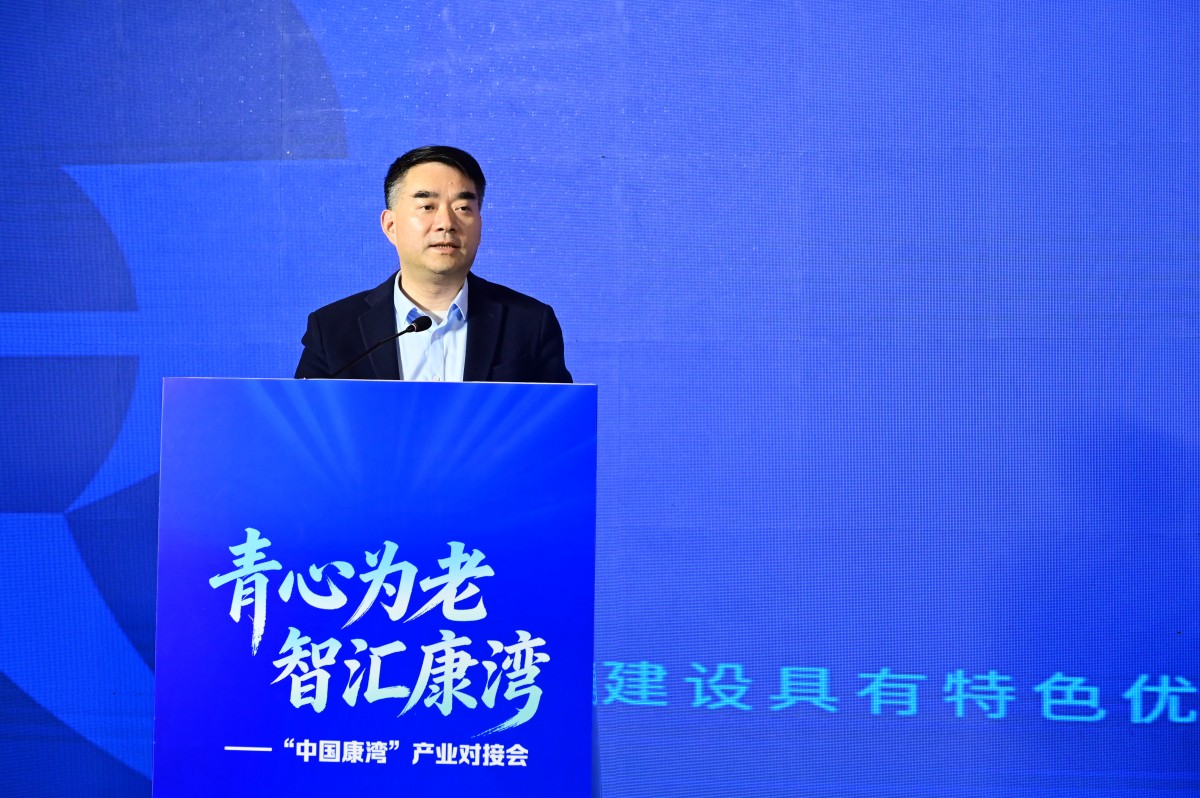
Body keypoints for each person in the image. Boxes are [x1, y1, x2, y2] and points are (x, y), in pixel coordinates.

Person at [294, 146, 572, 383]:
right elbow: (304, 425)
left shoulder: (530, 324)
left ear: (479, 224)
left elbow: (558, 426)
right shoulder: (332, 330)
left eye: (463, 208)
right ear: (391, 226)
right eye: (427, 207)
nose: (446, 223)